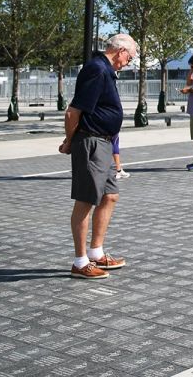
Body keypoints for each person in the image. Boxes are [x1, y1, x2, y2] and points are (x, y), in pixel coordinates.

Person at [58, 33, 138, 279]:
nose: (128, 63)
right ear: (121, 51)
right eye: (130, 58)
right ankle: (80, 262)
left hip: (103, 143)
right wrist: (70, 141)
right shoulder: (97, 69)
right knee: (86, 200)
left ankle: (96, 253)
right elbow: (73, 112)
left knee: (110, 196)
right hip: (91, 142)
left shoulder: (105, 70)